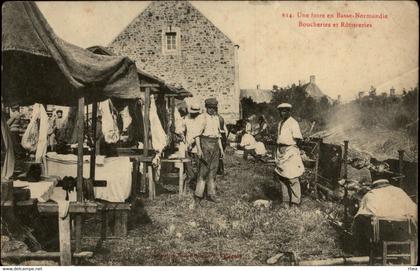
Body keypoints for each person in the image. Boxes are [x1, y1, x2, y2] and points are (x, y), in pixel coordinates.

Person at [352, 171, 417, 254]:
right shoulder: (400, 192)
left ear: (373, 184)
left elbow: (361, 215)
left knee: (360, 219)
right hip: (402, 233)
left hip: (382, 234)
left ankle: (363, 251)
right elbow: (414, 210)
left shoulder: (371, 194)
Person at [194, 98, 224, 205]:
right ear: (206, 107)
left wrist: (220, 149)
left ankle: (211, 194)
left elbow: (218, 135)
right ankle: (198, 195)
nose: (212, 110)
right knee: (203, 171)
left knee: (213, 171)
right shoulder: (201, 118)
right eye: (210, 108)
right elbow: (197, 135)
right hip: (205, 144)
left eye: (214, 108)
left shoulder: (216, 118)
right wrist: (199, 149)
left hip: (215, 144)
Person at [274, 103, 305, 207]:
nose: (283, 113)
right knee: (282, 177)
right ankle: (285, 201)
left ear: (289, 112)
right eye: (281, 111)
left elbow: (298, 139)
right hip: (281, 152)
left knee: (292, 178)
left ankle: (295, 202)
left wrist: (296, 151)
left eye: (285, 111)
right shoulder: (280, 123)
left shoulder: (293, 123)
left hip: (290, 151)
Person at [179, 100, 203, 188]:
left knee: (199, 164)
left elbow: (200, 133)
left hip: (198, 146)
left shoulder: (201, 119)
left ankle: (199, 181)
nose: (195, 114)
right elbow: (181, 131)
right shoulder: (186, 119)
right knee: (188, 164)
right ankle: (192, 179)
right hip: (188, 145)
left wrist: (192, 143)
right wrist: (184, 139)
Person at [216, 108, 228, 175]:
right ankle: (221, 169)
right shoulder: (221, 118)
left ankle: (219, 170)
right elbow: (226, 130)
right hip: (223, 136)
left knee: (217, 153)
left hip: (218, 135)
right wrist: (225, 138)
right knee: (220, 153)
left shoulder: (215, 118)